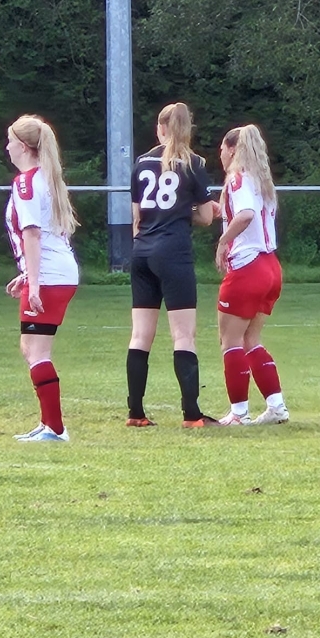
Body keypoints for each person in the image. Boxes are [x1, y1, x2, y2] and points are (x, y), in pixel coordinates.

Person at [126, 102, 216, 428]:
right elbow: (206, 216)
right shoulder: (193, 164)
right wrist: (184, 211)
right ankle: (191, 414)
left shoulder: (141, 163)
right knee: (183, 336)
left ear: (161, 129)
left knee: (140, 335)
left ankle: (136, 412)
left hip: (142, 252)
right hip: (174, 253)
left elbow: (137, 217)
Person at [5, 115, 79, 442]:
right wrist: (27, 274)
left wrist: (34, 282)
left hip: (49, 275)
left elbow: (32, 234)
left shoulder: (26, 182)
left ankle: (55, 428)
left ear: (23, 146)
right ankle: (48, 423)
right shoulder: (45, 179)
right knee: (32, 348)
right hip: (56, 271)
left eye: (10, 141)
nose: (7, 148)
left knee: (36, 351)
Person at [214, 125, 289, 427]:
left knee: (230, 340)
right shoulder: (261, 181)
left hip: (248, 267)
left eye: (222, 148)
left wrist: (223, 242)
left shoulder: (238, 178)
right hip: (270, 266)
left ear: (232, 149)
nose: (220, 154)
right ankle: (276, 406)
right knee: (251, 340)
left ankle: (239, 412)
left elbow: (245, 215)